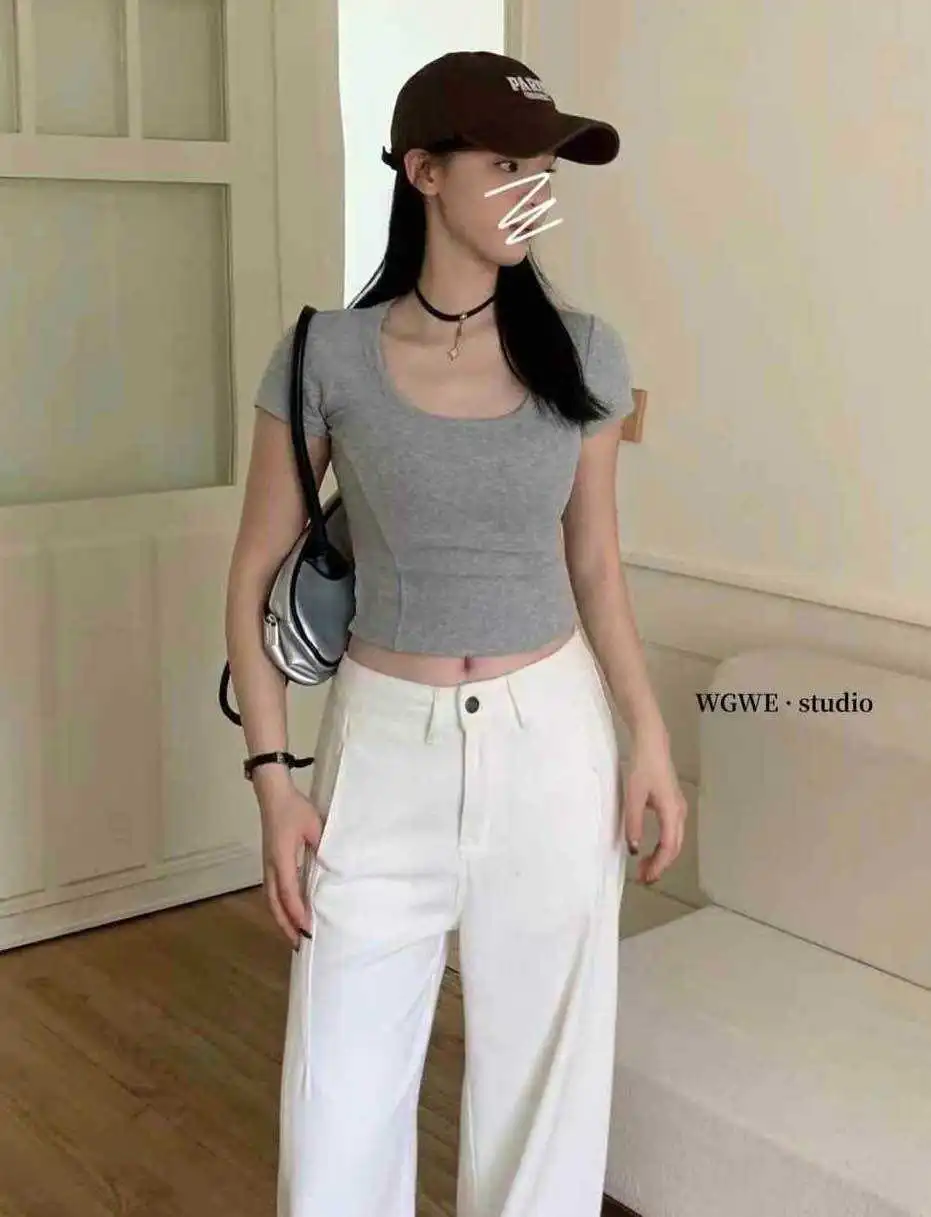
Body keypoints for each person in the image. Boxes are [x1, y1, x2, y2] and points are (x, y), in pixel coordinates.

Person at [225, 49, 687, 1217]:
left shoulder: (585, 351)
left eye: (545, 170)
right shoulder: (325, 352)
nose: (534, 190)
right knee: (338, 1102)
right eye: (506, 166)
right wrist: (274, 780)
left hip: (552, 740)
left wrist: (646, 737)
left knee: (543, 1091)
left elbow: (595, 563)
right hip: (383, 747)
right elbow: (253, 573)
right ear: (424, 172)